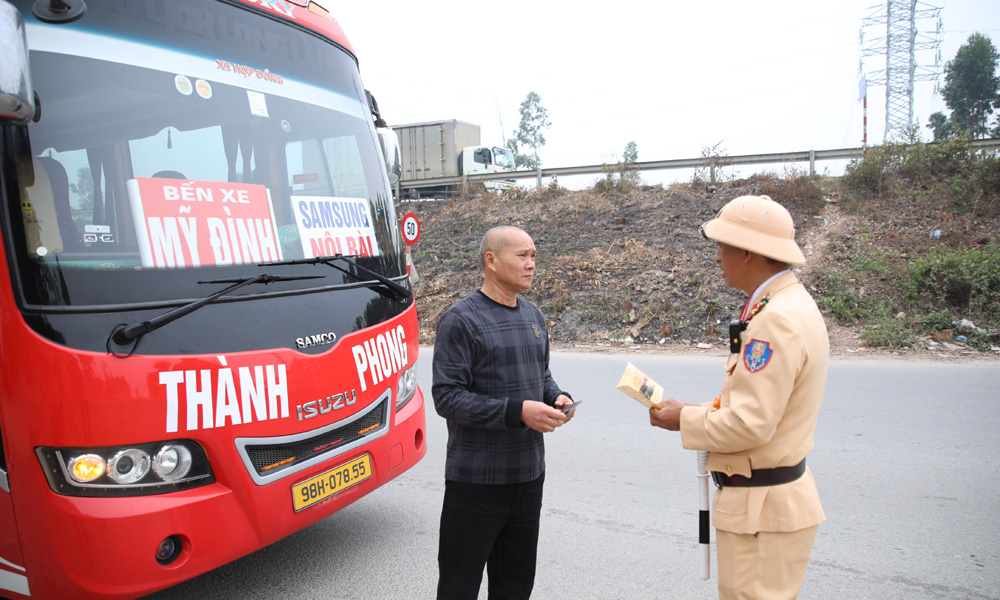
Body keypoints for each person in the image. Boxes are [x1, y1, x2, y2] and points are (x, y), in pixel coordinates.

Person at [649, 195, 828, 599]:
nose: (717, 257)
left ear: (747, 252)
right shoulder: (788, 303)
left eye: (722, 245)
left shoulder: (774, 320)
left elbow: (750, 423)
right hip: (771, 505)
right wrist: (697, 410)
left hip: (760, 512)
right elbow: (759, 406)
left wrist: (685, 419)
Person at [432, 225, 576, 600]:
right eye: (522, 256)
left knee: (515, 586)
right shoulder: (461, 320)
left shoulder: (534, 316)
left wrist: (557, 397)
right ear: (491, 261)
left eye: (534, 257)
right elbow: (447, 398)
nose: (531, 265)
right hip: (476, 483)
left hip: (528, 479)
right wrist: (518, 412)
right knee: (458, 586)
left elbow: (540, 375)